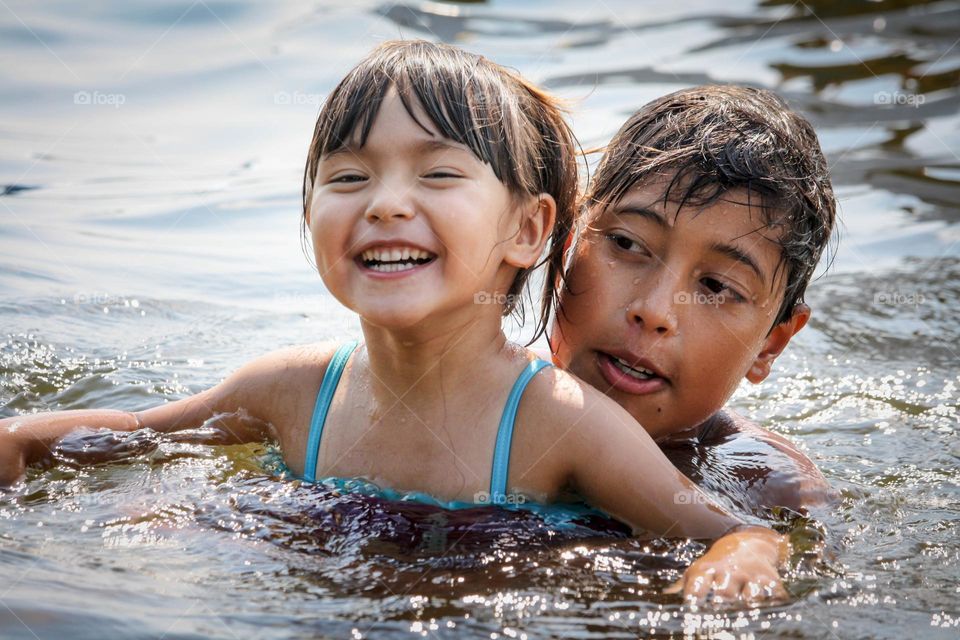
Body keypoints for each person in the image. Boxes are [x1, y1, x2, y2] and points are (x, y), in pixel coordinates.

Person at [0, 41, 788, 604]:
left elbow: (718, 528)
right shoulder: (289, 389)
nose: (383, 202)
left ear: (527, 230)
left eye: (439, 173)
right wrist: (19, 439)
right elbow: (132, 434)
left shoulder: (563, 424)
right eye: (348, 176)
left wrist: (744, 554)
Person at [550, 85, 838, 515]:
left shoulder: (772, 489)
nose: (654, 311)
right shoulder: (475, 391)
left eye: (717, 287)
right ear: (565, 248)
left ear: (770, 345)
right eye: (627, 244)